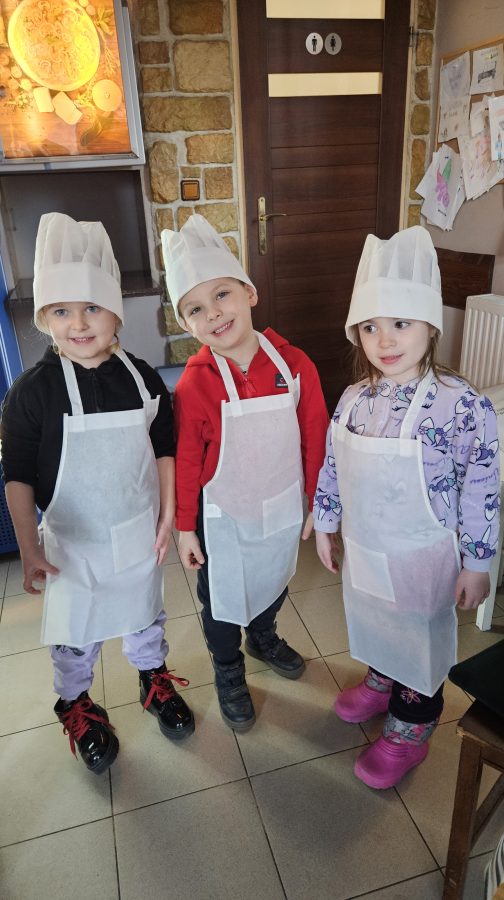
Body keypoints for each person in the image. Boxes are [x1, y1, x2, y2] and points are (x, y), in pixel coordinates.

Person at [1, 213, 194, 775]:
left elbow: (164, 446)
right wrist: (28, 547)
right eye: (61, 311)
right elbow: (17, 475)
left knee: (144, 615)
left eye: (92, 307)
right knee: (75, 635)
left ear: (116, 313)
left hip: (137, 530)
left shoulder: (142, 377)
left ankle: (153, 680)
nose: (79, 323)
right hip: (71, 544)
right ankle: (77, 704)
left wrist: (168, 513)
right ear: (44, 318)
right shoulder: (30, 394)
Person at [314, 226, 500, 789]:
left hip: (424, 558)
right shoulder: (354, 398)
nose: (384, 340)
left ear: (430, 326)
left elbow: (482, 488)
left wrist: (478, 563)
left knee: (417, 637)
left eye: (401, 323)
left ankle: (411, 726)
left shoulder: (462, 406)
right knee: (376, 620)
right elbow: (333, 464)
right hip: (368, 547)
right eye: (370, 326)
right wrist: (325, 523)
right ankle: (381, 680)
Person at [161, 215, 328, 732]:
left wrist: (319, 502)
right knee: (222, 601)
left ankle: (263, 635)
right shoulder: (195, 385)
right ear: (186, 324)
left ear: (249, 293)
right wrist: (185, 528)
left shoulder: (294, 364)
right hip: (223, 518)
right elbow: (187, 461)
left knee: (274, 578)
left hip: (280, 504)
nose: (213, 313)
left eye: (222, 295)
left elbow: (315, 435)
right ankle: (228, 667)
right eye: (195, 309)